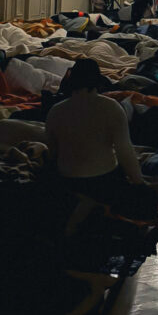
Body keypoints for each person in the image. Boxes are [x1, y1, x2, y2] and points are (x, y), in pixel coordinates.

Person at [43, 58, 147, 207]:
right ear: (98, 80)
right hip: (103, 180)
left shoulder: (55, 111)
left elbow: (53, 153)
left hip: (68, 181)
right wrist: (139, 184)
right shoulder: (112, 108)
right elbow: (124, 151)